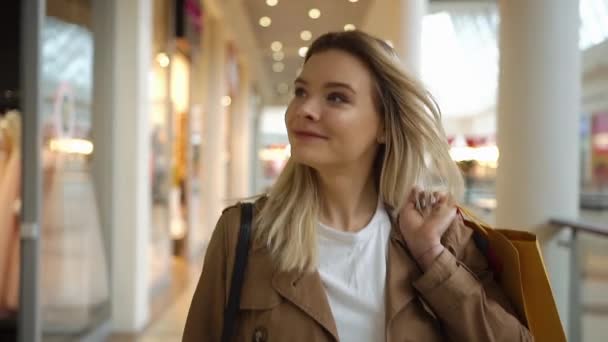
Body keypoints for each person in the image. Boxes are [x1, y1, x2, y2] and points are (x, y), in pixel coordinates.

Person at [183, 31, 532, 342]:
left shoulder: (440, 235)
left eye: (336, 98)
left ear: (384, 126)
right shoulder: (244, 233)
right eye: (300, 91)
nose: (304, 109)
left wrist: (431, 257)